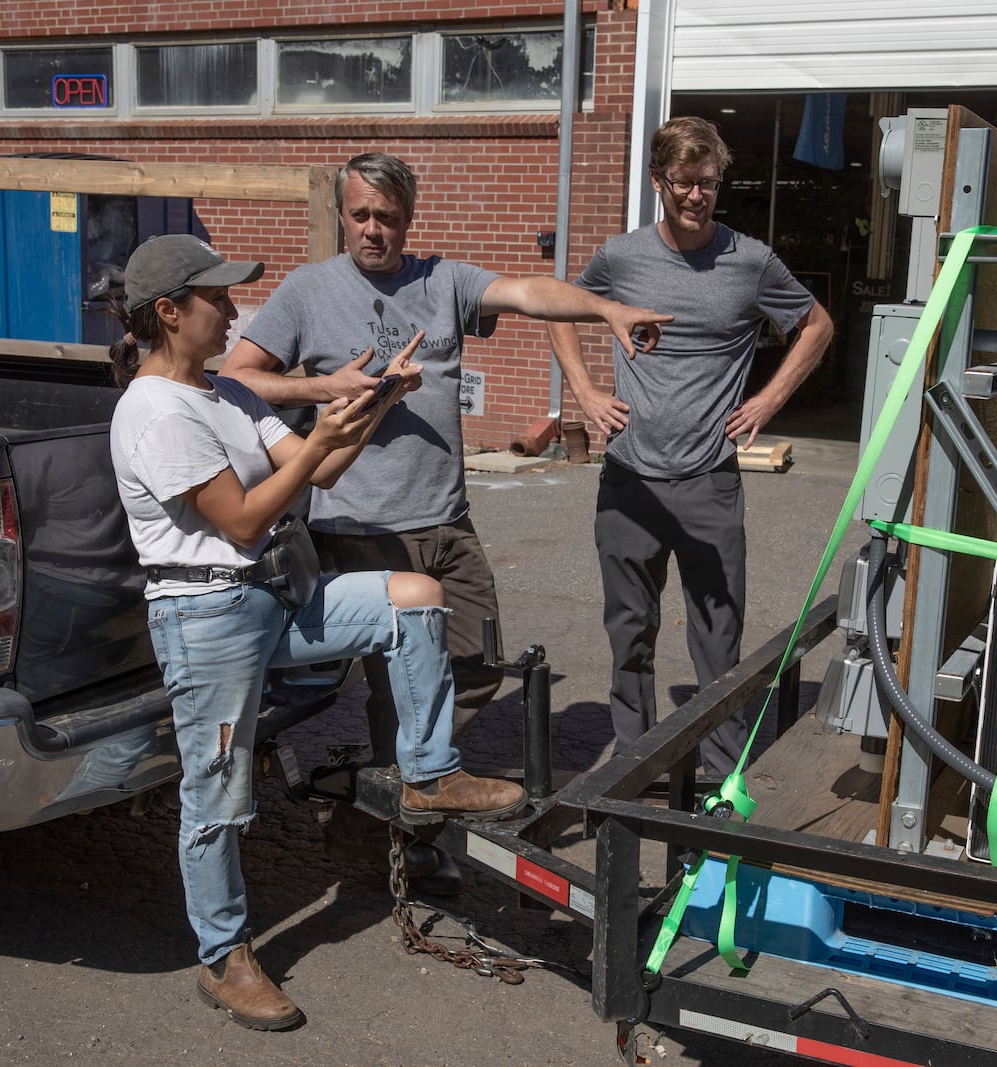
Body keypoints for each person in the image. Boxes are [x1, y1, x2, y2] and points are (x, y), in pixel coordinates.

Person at [108, 234, 527, 1032]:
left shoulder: (225, 393)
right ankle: (225, 956)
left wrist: (377, 400)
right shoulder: (155, 409)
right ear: (167, 312)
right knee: (217, 795)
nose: (235, 309)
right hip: (207, 616)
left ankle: (428, 770)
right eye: (217, 298)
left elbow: (318, 465)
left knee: (415, 595)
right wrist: (325, 438)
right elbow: (241, 518)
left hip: (273, 597)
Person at [219, 152, 670, 877]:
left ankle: (391, 796)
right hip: (360, 529)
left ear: (409, 219)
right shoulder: (308, 292)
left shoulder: (443, 281)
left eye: (389, 218)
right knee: (395, 689)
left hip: (448, 523)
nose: (374, 230)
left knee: (478, 667)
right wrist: (328, 384)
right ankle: (393, 840)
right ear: (343, 214)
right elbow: (236, 379)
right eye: (362, 214)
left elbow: (528, 293)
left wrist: (607, 308)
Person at [546, 116, 835, 776]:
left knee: (717, 639)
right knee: (630, 633)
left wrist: (769, 399)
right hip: (629, 480)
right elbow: (561, 308)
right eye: (683, 182)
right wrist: (585, 393)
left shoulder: (750, 261)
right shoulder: (622, 257)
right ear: (658, 182)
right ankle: (636, 760)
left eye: (707, 182)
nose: (696, 196)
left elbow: (816, 325)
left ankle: (719, 775)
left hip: (709, 480)